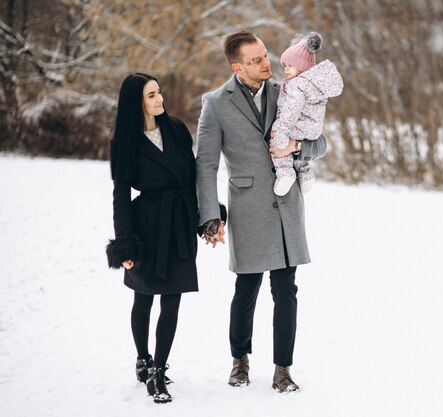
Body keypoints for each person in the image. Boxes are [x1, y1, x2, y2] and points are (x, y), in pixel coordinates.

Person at [196, 30, 327, 393]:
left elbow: (322, 141)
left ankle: (283, 370)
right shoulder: (216, 103)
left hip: (287, 205)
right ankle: (240, 360)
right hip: (248, 207)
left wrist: (296, 146)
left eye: (266, 55)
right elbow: (205, 164)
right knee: (246, 287)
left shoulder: (289, 89)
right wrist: (209, 216)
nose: (266, 63)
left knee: (286, 289)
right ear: (237, 66)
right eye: (256, 60)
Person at [105, 73, 225, 404]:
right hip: (145, 226)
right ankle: (142, 357)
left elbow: (194, 179)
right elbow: (120, 194)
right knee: (143, 297)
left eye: (159, 93)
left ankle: (158, 371)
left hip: (180, 223)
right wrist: (125, 242)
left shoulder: (175, 129)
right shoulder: (124, 141)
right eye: (151, 95)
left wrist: (209, 217)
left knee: (173, 298)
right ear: (137, 102)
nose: (160, 99)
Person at [271, 32, 343, 196]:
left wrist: (281, 129)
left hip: (299, 125)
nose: (286, 70)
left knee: (277, 137)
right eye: (284, 66)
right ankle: (305, 173)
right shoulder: (315, 86)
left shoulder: (296, 85)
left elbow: (292, 109)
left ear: (303, 67)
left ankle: (285, 173)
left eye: (290, 65)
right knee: (293, 148)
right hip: (312, 129)